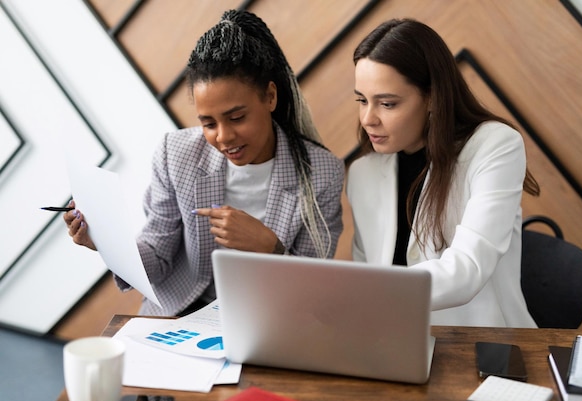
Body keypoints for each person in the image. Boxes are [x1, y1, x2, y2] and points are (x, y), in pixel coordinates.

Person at [64, 9, 344, 316]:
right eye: (208, 123)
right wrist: (105, 243)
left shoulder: (322, 173)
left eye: (237, 117)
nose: (224, 137)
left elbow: (313, 289)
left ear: (270, 97)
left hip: (268, 316)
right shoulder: (177, 154)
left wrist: (269, 246)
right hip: (178, 314)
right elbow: (157, 257)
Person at [347, 18, 540, 327]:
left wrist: (365, 294)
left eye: (387, 103)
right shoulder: (362, 173)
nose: (368, 118)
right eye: (361, 100)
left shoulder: (494, 145)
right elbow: (366, 268)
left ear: (433, 97)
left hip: (482, 344)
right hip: (394, 339)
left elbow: (468, 267)